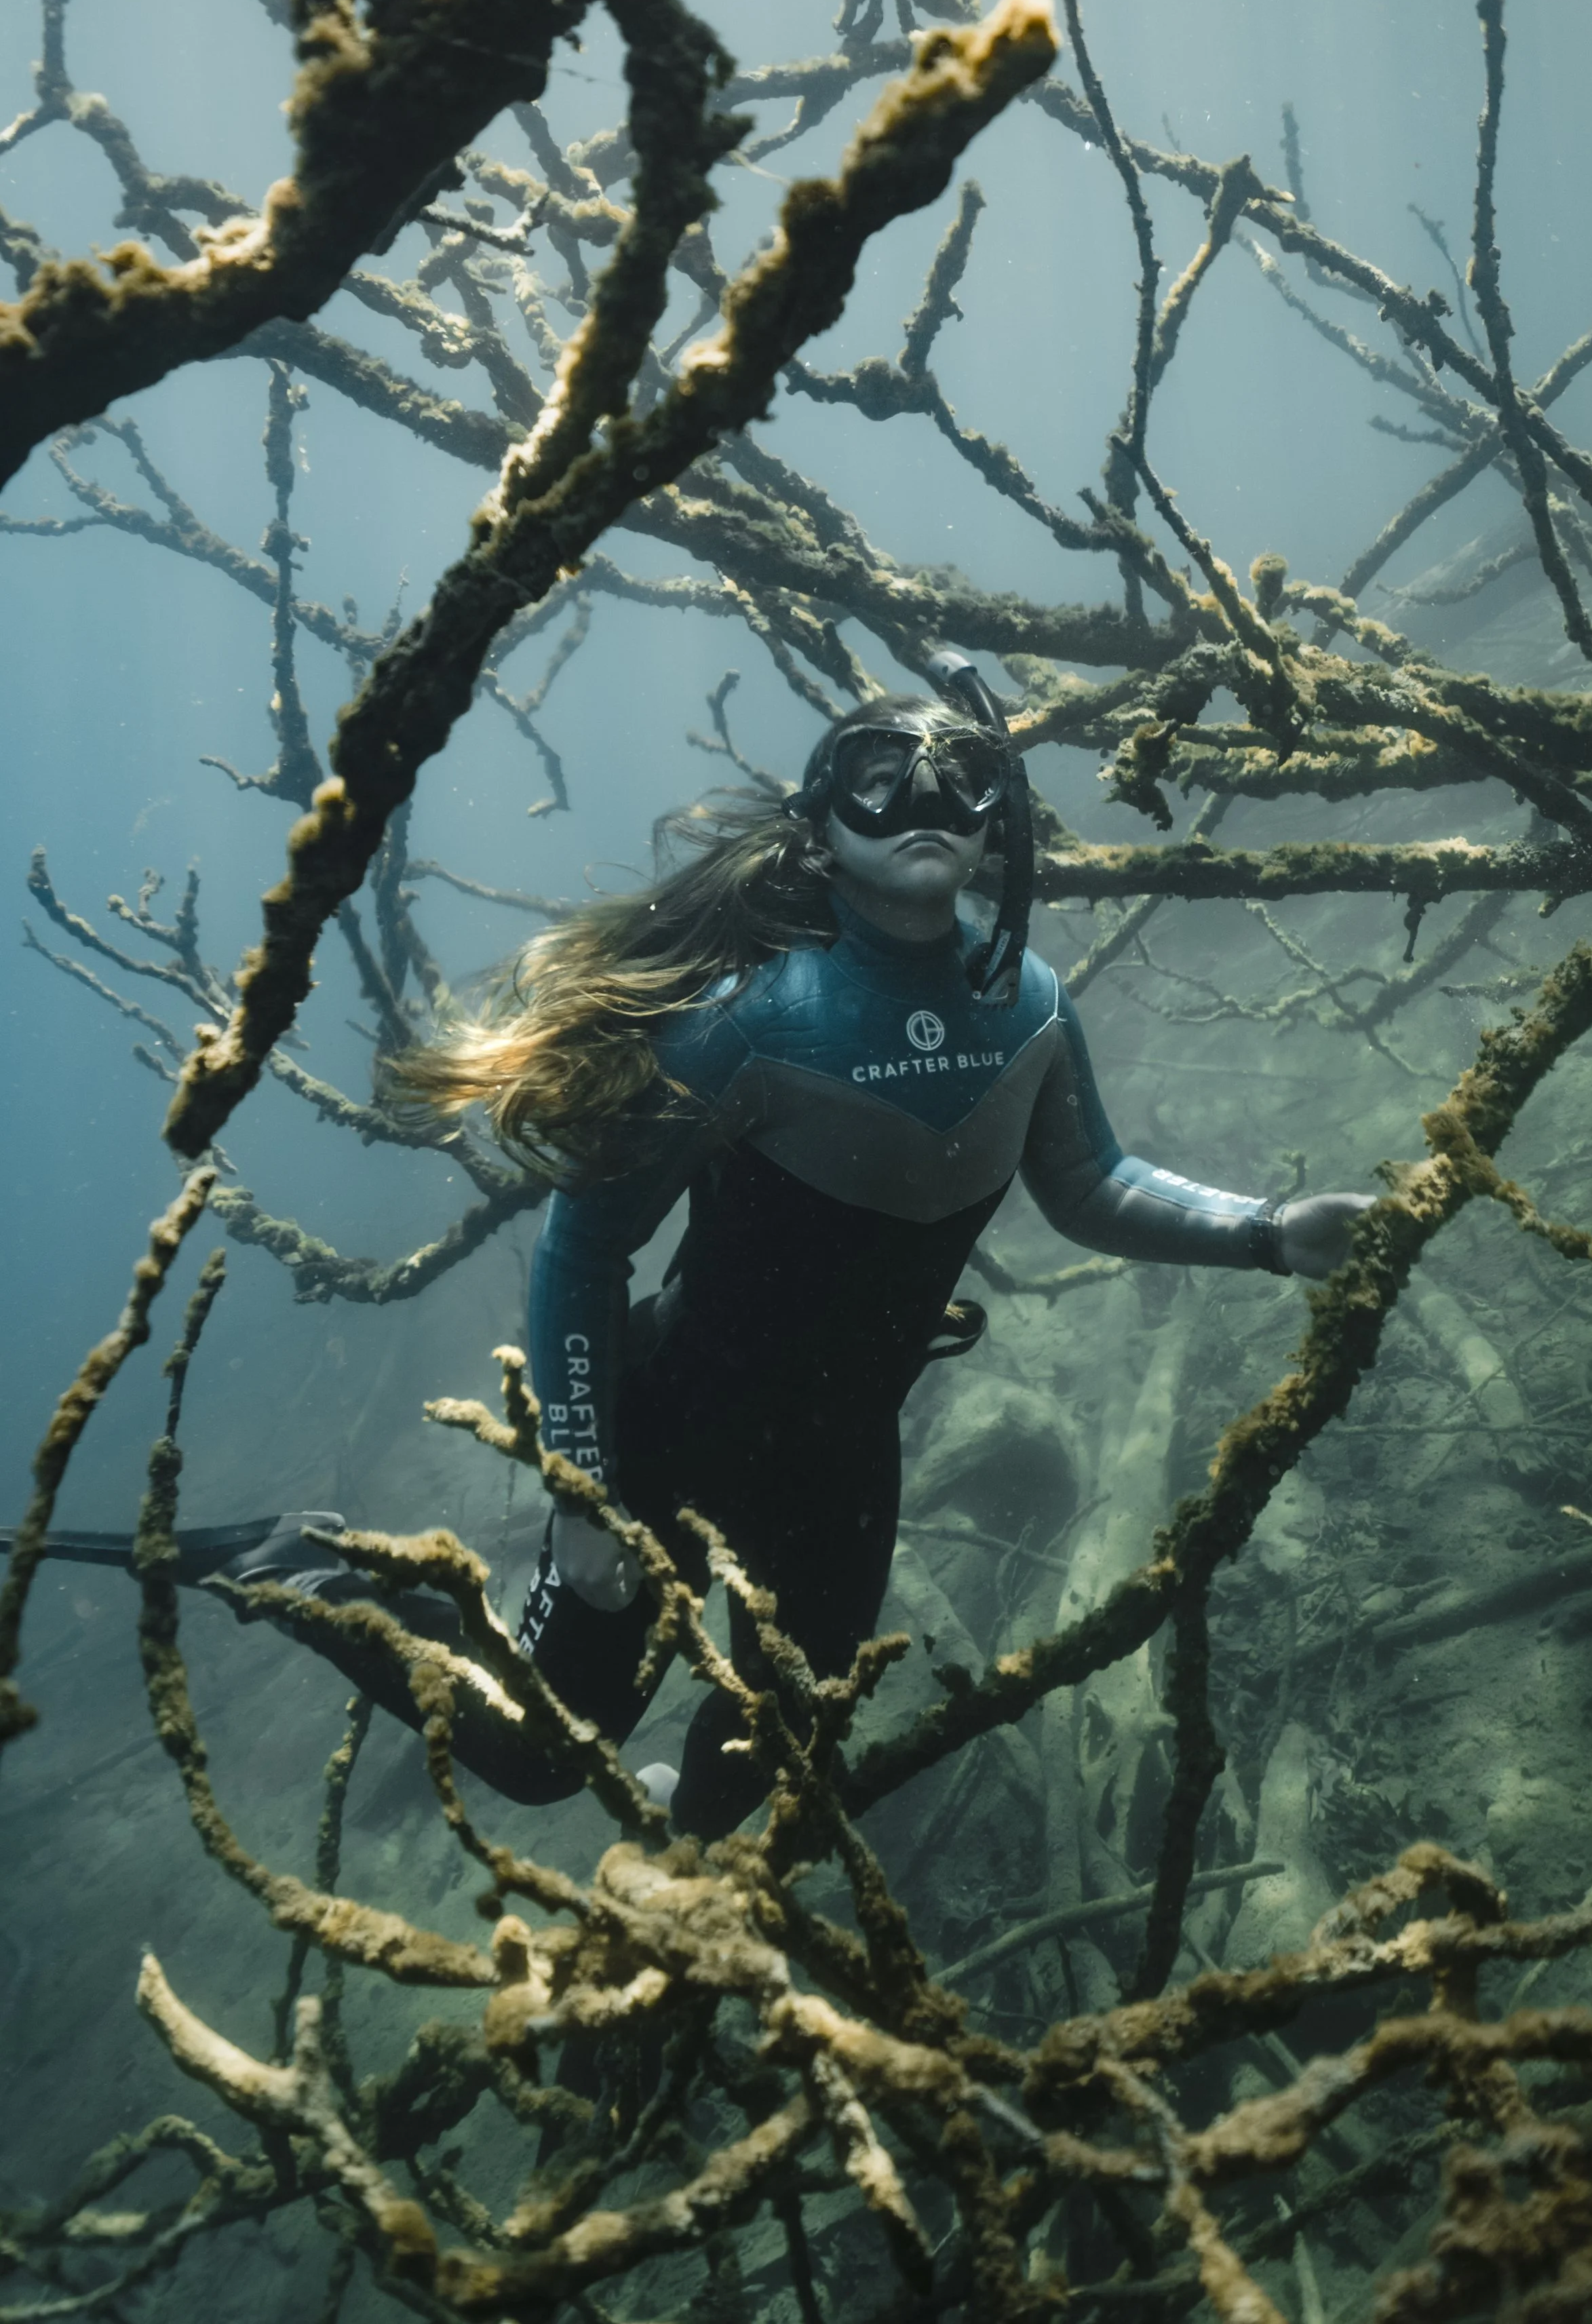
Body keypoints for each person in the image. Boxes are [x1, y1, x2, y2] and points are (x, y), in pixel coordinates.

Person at [7, 659, 1370, 1838]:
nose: (923, 806)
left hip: (844, 1457)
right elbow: (579, 1251)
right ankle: (302, 1568)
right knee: (540, 1757)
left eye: (959, 778)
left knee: (767, 1760)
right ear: (818, 823)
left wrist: (1264, 1231)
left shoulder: (1029, 1002)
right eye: (876, 775)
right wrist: (589, 1496)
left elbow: (1089, 1186)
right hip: (666, 1429)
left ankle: (658, 1906)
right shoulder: (744, 1021)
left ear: (999, 814)